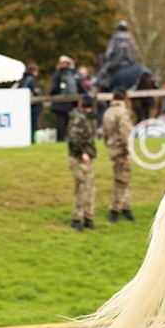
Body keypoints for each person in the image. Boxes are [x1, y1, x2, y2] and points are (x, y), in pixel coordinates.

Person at [103, 89, 136, 223]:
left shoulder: (108, 112)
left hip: (112, 149)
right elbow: (125, 134)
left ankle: (125, 206)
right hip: (121, 150)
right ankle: (115, 209)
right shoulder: (122, 112)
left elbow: (105, 134)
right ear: (125, 98)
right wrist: (127, 152)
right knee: (122, 181)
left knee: (123, 178)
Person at [67, 95, 99, 232]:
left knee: (90, 189)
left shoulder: (88, 118)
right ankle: (77, 218)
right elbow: (73, 138)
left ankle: (88, 217)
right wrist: (82, 153)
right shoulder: (78, 119)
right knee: (82, 189)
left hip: (87, 158)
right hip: (79, 158)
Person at [96, 21, 140, 89]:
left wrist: (107, 58)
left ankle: (106, 87)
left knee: (103, 73)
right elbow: (135, 50)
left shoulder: (115, 37)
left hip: (116, 63)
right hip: (130, 63)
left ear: (118, 28)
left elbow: (109, 52)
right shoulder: (130, 38)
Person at [50, 56, 82, 142]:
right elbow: (80, 86)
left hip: (60, 102)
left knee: (61, 122)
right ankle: (70, 138)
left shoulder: (58, 74)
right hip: (72, 102)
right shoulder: (74, 74)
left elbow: (54, 89)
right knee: (70, 121)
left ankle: (61, 139)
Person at [17, 63, 42, 136]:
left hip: (22, 105)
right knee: (32, 123)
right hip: (32, 105)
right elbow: (36, 92)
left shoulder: (22, 79)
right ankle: (31, 138)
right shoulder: (31, 79)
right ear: (34, 71)